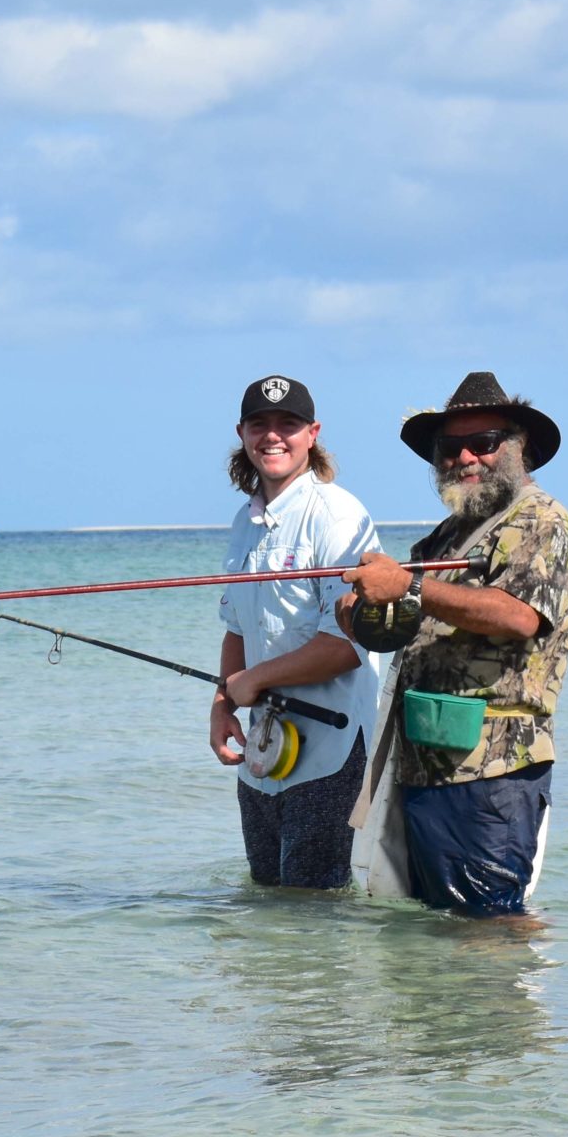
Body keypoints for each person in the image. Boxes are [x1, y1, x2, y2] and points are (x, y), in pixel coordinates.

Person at [344, 371, 568, 917]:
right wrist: (361, 611)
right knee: (434, 945)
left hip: (493, 774)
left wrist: (409, 585)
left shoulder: (542, 521)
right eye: (450, 448)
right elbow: (406, 619)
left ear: (520, 448)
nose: (465, 457)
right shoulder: (444, 536)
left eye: (484, 443)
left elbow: (519, 617)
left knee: (489, 933)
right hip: (423, 768)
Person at [209, 374, 386, 890]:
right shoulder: (243, 522)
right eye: (260, 424)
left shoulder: (337, 516)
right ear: (241, 432)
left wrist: (253, 680)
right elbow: (235, 631)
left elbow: (349, 645)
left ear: (313, 432)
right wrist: (223, 706)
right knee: (267, 909)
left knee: (314, 915)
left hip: (331, 755)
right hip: (262, 758)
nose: (273, 436)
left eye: (288, 424)